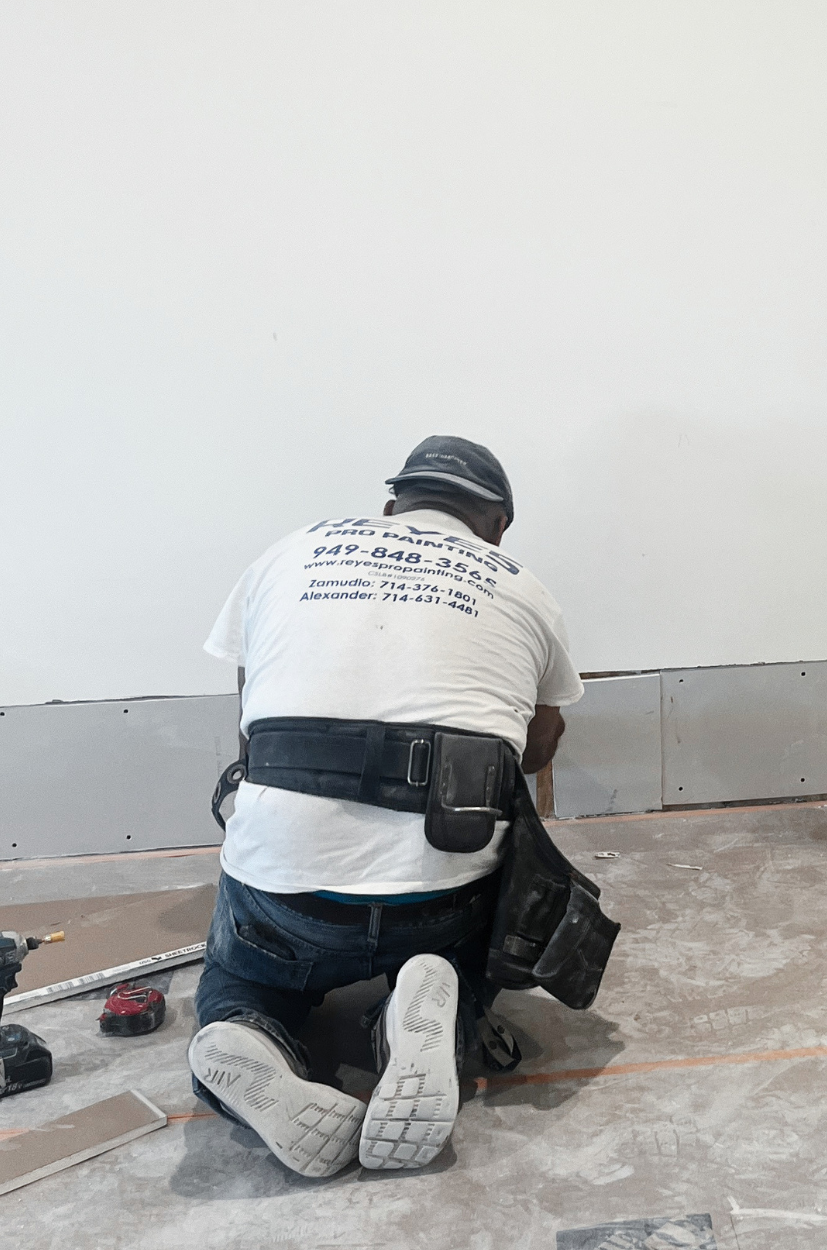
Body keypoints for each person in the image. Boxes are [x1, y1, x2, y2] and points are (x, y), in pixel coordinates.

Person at [188, 435, 583, 1176]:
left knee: (239, 978)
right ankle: (429, 1004)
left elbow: (251, 713)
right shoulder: (522, 585)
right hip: (438, 888)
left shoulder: (289, 552)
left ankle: (248, 1028)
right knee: (480, 910)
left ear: (391, 505)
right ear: (497, 524)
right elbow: (537, 748)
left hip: (285, 883)